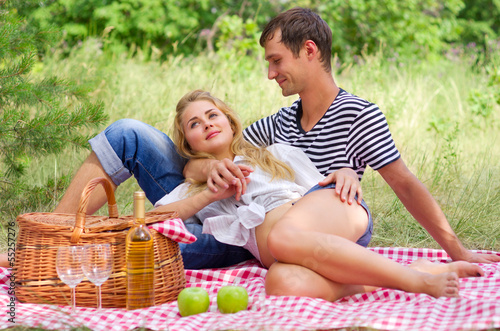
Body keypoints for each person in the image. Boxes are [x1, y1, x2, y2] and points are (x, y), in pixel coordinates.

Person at [52, 7, 500, 270]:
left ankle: (96, 251)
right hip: (230, 207)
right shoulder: (277, 125)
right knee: (128, 134)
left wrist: (456, 250)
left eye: (276, 60)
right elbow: (207, 157)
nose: (270, 74)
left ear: (310, 51)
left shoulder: (359, 115)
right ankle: (50, 235)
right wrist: (210, 168)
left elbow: (405, 184)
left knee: (155, 244)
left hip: (280, 231)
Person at [152, 88, 481, 301]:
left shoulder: (274, 153)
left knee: (282, 236)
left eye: (212, 115)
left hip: (329, 212)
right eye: (194, 124)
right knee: (282, 286)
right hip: (286, 254)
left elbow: (323, 185)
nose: (207, 124)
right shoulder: (195, 189)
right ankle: (426, 273)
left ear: (230, 122)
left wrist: (347, 171)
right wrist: (208, 195)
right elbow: (153, 220)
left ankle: (416, 284)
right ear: (187, 143)